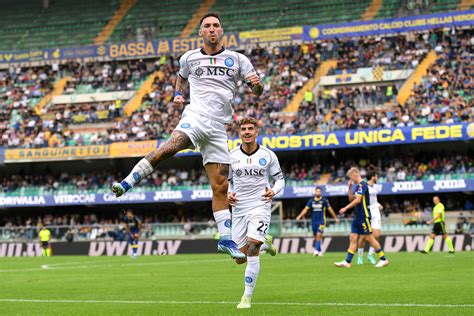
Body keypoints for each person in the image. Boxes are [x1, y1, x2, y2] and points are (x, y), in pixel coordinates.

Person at [111, 12, 263, 259]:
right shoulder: (189, 58)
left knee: (221, 186)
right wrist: (178, 95)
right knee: (170, 148)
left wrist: (257, 85)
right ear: (200, 32)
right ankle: (127, 182)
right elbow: (181, 80)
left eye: (216, 25)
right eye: (207, 26)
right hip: (195, 117)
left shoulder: (237, 59)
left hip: (218, 128)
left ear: (221, 31)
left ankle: (226, 240)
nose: (212, 29)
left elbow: (256, 90)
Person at [227, 117, 284, 309]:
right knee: (238, 258)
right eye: (243, 129)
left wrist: (273, 191)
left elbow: (280, 180)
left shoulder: (268, 155)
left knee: (252, 249)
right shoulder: (232, 155)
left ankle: (246, 297)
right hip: (239, 209)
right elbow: (225, 182)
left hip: (260, 205)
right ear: (239, 133)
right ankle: (266, 246)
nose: (247, 132)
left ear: (257, 132)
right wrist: (228, 194)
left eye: (251, 128)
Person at [335, 167, 389, 268]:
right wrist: (350, 188)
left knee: (369, 238)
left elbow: (358, 200)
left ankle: (383, 259)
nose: (351, 179)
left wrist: (345, 208)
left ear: (355, 175)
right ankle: (347, 261)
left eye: (351, 177)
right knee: (353, 238)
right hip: (357, 216)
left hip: (364, 215)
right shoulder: (357, 186)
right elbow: (351, 198)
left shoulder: (363, 185)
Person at [296, 187, 339, 256]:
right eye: (317, 191)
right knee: (316, 236)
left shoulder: (324, 200)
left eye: (319, 191)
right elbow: (305, 209)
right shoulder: (311, 201)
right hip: (313, 221)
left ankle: (316, 250)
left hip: (321, 221)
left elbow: (330, 209)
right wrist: (299, 216)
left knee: (318, 235)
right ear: (315, 192)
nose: (318, 192)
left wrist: (335, 218)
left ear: (321, 192)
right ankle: (320, 251)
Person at [356, 170, 383, 265]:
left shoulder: (375, 187)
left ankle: (370, 255)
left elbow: (374, 199)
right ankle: (360, 256)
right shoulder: (363, 186)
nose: (377, 178)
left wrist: (378, 204)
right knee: (363, 236)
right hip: (367, 211)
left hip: (376, 211)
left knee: (377, 235)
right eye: (376, 176)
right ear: (372, 177)